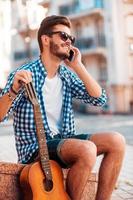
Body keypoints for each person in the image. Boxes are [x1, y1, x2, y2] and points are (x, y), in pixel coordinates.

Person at [0, 15, 125, 200]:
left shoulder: (66, 75)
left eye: (71, 38)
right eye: (64, 36)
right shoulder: (26, 74)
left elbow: (100, 99)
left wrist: (79, 66)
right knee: (87, 149)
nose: (69, 42)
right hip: (35, 148)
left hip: (65, 142)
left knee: (117, 141)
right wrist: (13, 89)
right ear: (46, 39)